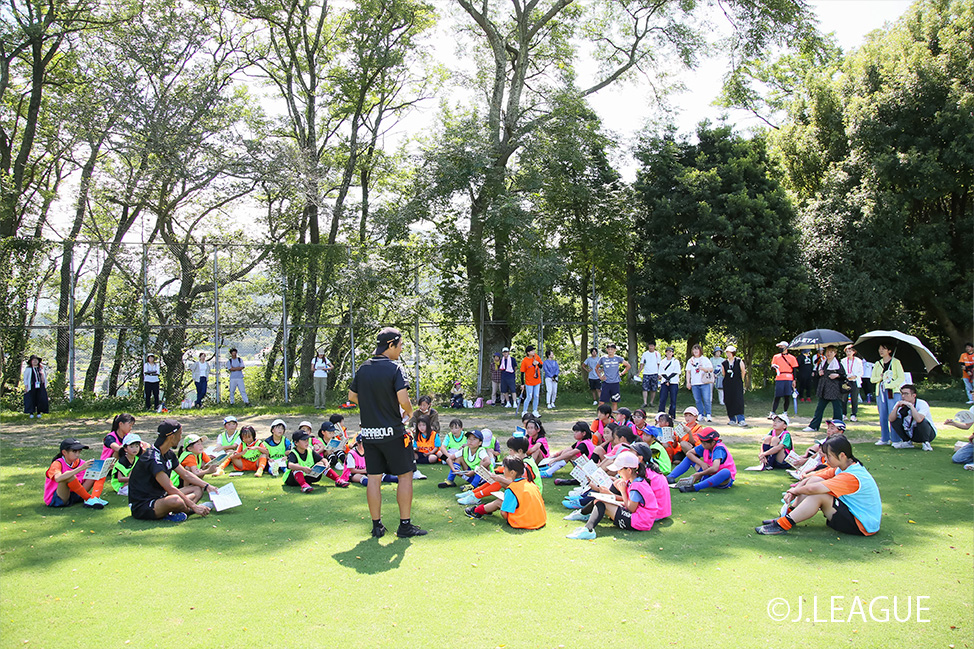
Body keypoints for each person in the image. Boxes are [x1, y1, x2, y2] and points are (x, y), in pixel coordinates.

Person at [347, 326, 426, 538]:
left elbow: (352, 396)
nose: (401, 350)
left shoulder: (363, 368)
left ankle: (376, 526)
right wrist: (409, 413)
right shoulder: (394, 368)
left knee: (374, 478)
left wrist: (373, 406)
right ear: (390, 344)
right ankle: (405, 525)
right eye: (400, 346)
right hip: (393, 433)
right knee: (405, 475)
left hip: (370, 435)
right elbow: (403, 399)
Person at [755, 435, 881, 536]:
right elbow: (815, 478)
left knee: (818, 495)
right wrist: (800, 484)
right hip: (854, 516)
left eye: (829, 456)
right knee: (812, 482)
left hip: (862, 525)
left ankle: (782, 525)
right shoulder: (844, 467)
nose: (826, 460)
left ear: (842, 455)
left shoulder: (851, 476)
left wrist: (794, 491)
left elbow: (813, 489)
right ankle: (785, 516)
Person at [127, 420, 217, 522]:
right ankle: (190, 510)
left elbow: (186, 474)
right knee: (175, 500)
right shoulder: (152, 458)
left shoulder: (168, 453)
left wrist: (207, 486)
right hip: (143, 505)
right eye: (180, 434)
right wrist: (194, 506)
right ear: (171, 436)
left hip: (161, 497)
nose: (180, 438)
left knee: (197, 488)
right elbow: (170, 488)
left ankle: (176, 512)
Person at [566, 451, 661, 540]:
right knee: (600, 499)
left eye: (619, 470)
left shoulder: (636, 486)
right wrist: (611, 496)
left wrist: (623, 491)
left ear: (628, 470)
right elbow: (629, 502)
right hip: (640, 518)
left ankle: (588, 528)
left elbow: (631, 508)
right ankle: (584, 517)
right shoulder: (635, 481)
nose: (618, 473)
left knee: (601, 502)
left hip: (640, 521)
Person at [44, 439, 109, 509]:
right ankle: (88, 498)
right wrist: (80, 469)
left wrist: (106, 468)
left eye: (79, 451)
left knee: (96, 471)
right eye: (74, 451)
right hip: (57, 498)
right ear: (64, 452)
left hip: (76, 494)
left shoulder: (80, 462)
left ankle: (94, 498)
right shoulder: (57, 463)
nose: (77, 455)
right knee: (68, 475)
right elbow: (58, 478)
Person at [667, 428, 737, 492]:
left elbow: (715, 468)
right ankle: (670, 477)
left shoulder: (719, 449)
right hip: (708, 473)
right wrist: (701, 463)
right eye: (701, 441)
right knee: (689, 458)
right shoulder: (705, 446)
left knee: (725, 472)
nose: (702, 444)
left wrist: (700, 473)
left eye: (704, 442)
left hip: (721, 480)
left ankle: (694, 487)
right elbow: (689, 453)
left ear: (712, 443)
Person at [803, 345, 846, 433]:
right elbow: (816, 375)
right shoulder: (822, 362)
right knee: (819, 408)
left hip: (834, 389)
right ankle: (814, 426)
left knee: (837, 409)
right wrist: (819, 373)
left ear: (835, 353)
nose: (829, 354)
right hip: (824, 388)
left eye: (831, 352)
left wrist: (837, 375)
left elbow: (844, 376)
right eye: (828, 351)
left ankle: (838, 427)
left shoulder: (838, 364)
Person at [871, 343, 905, 445]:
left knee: (893, 414)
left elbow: (901, 378)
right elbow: (873, 379)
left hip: (893, 392)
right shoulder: (878, 363)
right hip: (881, 392)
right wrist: (880, 378)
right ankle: (884, 438)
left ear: (889, 351)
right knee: (882, 415)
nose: (881, 351)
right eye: (880, 349)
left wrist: (890, 385)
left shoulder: (896, 362)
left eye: (884, 349)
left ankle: (896, 439)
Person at [889, 384, 937, 450]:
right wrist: (897, 407)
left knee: (922, 421)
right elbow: (891, 419)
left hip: (927, 433)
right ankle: (907, 442)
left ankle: (926, 443)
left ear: (914, 395)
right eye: (902, 394)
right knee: (895, 420)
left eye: (906, 394)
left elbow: (919, 419)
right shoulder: (900, 403)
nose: (903, 396)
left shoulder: (922, 404)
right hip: (910, 431)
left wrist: (911, 406)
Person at [595, 343, 630, 412]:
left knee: (614, 401)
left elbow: (628, 366)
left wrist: (622, 373)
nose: (610, 351)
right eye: (609, 349)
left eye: (612, 349)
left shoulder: (618, 358)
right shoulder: (603, 359)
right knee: (601, 401)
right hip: (606, 383)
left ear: (615, 350)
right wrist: (600, 377)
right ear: (607, 350)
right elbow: (596, 368)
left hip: (615, 383)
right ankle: (600, 416)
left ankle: (613, 417)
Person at [685, 344, 714, 422]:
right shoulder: (690, 361)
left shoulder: (705, 359)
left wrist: (704, 368)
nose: (695, 351)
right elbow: (688, 372)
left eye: (697, 349)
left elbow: (711, 369)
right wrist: (688, 382)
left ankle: (708, 414)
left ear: (700, 350)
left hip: (704, 382)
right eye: (694, 349)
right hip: (695, 383)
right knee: (697, 400)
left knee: (707, 399)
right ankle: (700, 414)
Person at [769, 341, 798, 417]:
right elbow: (772, 366)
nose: (780, 348)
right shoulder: (776, 357)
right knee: (777, 395)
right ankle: (773, 411)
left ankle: (785, 411)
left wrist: (794, 380)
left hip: (789, 377)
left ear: (786, 348)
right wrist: (774, 367)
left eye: (782, 347)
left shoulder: (792, 358)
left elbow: (794, 369)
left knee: (787, 395)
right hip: (779, 377)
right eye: (779, 347)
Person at [721, 346, 747, 427]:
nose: (728, 354)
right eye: (727, 352)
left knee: (738, 401)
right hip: (728, 384)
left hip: (737, 384)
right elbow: (723, 374)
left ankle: (741, 419)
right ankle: (732, 419)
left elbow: (743, 372)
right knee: (728, 400)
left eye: (730, 352)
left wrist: (740, 381)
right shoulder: (724, 363)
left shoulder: (739, 361)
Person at [841, 345, 864, 422]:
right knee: (844, 398)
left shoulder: (858, 361)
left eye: (850, 351)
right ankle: (843, 414)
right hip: (846, 381)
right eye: (847, 351)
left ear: (854, 352)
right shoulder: (843, 361)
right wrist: (846, 376)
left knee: (854, 398)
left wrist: (855, 376)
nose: (848, 353)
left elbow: (861, 372)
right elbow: (841, 371)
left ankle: (853, 414)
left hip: (855, 381)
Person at [518, 345, 543, 417]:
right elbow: (522, 373)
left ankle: (535, 410)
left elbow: (541, 366)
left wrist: (538, 363)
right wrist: (522, 384)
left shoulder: (536, 357)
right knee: (529, 396)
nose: (533, 352)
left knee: (536, 395)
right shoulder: (525, 361)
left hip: (537, 381)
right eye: (532, 351)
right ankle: (524, 411)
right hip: (529, 382)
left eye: (533, 350)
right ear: (528, 352)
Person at [658, 346, 681, 418]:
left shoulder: (676, 362)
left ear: (673, 353)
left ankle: (672, 414)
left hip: (673, 382)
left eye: (670, 352)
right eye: (667, 352)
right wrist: (666, 379)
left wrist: (669, 379)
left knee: (673, 399)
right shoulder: (662, 362)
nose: (668, 353)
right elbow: (661, 372)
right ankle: (661, 413)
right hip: (664, 381)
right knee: (662, 398)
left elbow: (676, 372)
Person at [638, 342, 661, 409]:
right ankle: (645, 402)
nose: (651, 347)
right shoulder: (645, 354)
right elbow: (642, 363)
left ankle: (651, 402)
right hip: (646, 373)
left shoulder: (657, 354)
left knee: (653, 389)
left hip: (655, 373)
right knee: (645, 388)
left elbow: (659, 364)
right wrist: (639, 372)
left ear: (654, 346)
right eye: (650, 346)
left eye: (652, 346)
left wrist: (659, 373)